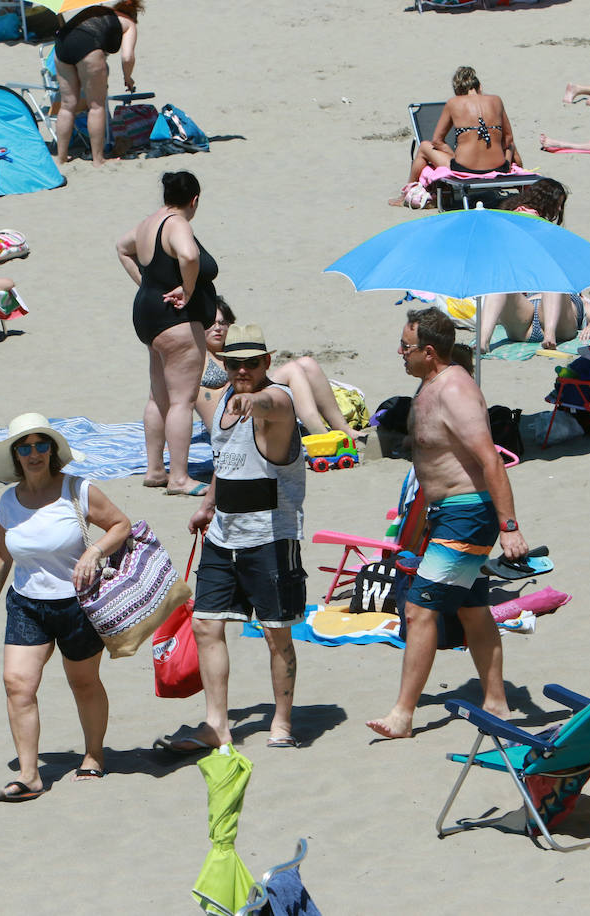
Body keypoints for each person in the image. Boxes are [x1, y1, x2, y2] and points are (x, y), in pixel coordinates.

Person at [367, 309, 528, 740]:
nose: (400, 353)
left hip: (467, 514)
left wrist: (509, 526)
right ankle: (496, 700)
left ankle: (403, 714)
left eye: (406, 346)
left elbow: (489, 458)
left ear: (430, 352)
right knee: (472, 608)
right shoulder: (430, 385)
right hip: (445, 514)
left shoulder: (454, 390)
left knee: (420, 610)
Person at [155, 324, 307, 752]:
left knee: (276, 633)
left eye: (252, 363)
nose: (243, 369)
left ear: (266, 363)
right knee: (206, 626)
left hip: (271, 537)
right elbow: (226, 458)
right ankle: (217, 724)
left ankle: (281, 721)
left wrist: (251, 399)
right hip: (224, 535)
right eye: (235, 362)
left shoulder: (278, 400)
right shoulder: (220, 400)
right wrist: (208, 502)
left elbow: (271, 403)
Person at [0, 413, 132, 801]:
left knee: (83, 682)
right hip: (28, 605)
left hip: (78, 605)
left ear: (52, 450)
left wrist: (93, 551)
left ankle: (94, 756)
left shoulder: (77, 490)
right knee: (17, 684)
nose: (33, 454)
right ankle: (30, 775)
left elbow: (120, 525)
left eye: (40, 445)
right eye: (24, 447)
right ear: (15, 456)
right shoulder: (8, 502)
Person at [116, 170, 219, 496]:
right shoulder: (177, 223)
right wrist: (187, 291)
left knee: (157, 396)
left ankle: (155, 470)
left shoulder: (149, 223)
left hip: (147, 314)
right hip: (176, 320)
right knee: (182, 401)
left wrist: (147, 284)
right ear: (195, 200)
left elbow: (122, 247)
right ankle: (178, 477)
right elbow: (189, 256)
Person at [198, 298, 361, 440]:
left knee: (307, 364)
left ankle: (344, 429)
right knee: (291, 369)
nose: (217, 328)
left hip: (252, 407)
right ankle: (320, 434)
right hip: (225, 423)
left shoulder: (236, 353)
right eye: (210, 323)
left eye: (222, 322)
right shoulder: (196, 354)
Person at [478, 180, 590, 350]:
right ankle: (483, 341)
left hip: (560, 327)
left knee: (552, 276)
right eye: (560, 204)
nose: (560, 209)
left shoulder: (576, 296)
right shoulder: (539, 280)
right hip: (526, 322)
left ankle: (549, 334)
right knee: (502, 280)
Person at [396, 66, 521, 204]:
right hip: (498, 166)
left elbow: (437, 141)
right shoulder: (496, 100)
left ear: (458, 91)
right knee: (512, 147)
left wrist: (454, 156)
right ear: (479, 86)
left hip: (465, 168)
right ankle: (525, 190)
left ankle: (406, 194)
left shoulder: (453, 103)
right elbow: (508, 138)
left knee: (424, 147)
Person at [52, 0, 142, 167]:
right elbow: (127, 57)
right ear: (134, 15)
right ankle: (98, 159)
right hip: (88, 46)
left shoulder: (99, 9)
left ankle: (62, 157)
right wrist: (128, 78)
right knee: (96, 105)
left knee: (67, 105)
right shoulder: (129, 24)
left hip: (62, 44)